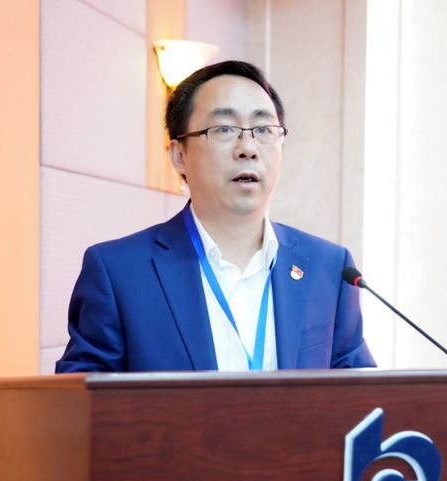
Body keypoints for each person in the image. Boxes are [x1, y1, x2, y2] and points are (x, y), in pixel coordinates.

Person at [56, 60, 375, 373]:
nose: (248, 148)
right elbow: (82, 400)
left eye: (263, 129)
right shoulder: (119, 272)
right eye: (224, 129)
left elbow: (360, 395)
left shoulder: (329, 268)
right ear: (179, 155)